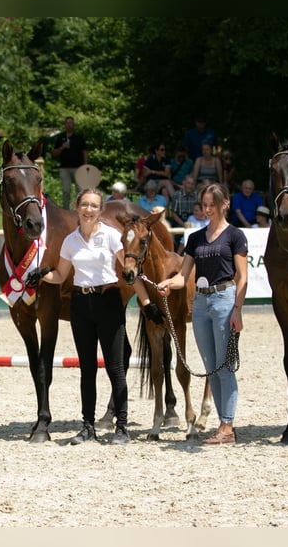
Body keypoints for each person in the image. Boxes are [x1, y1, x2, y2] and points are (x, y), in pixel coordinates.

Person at [26, 189, 132, 445]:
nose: (88, 209)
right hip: (80, 304)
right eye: (84, 204)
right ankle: (88, 426)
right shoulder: (71, 241)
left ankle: (122, 427)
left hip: (108, 301)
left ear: (100, 209)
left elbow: (127, 266)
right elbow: (61, 275)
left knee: (115, 368)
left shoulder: (111, 235)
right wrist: (41, 274)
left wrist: (144, 293)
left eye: (94, 205)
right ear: (77, 207)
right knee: (87, 369)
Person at [157, 183, 248, 445]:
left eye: (212, 204)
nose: (207, 209)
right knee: (211, 367)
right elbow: (183, 276)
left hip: (224, 299)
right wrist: (167, 284)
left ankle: (227, 425)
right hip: (200, 302)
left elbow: (242, 278)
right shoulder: (195, 238)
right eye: (204, 205)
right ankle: (223, 424)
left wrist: (238, 310)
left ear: (224, 204)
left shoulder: (235, 236)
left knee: (225, 367)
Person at [52, 116, 89, 210]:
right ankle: (66, 210)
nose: (69, 125)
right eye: (67, 123)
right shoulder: (60, 137)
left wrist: (85, 166)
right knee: (66, 190)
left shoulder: (79, 137)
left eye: (71, 123)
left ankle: (80, 209)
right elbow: (54, 153)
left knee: (80, 190)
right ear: (65, 125)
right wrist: (62, 147)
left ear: (74, 124)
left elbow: (84, 151)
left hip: (78, 167)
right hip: (64, 168)